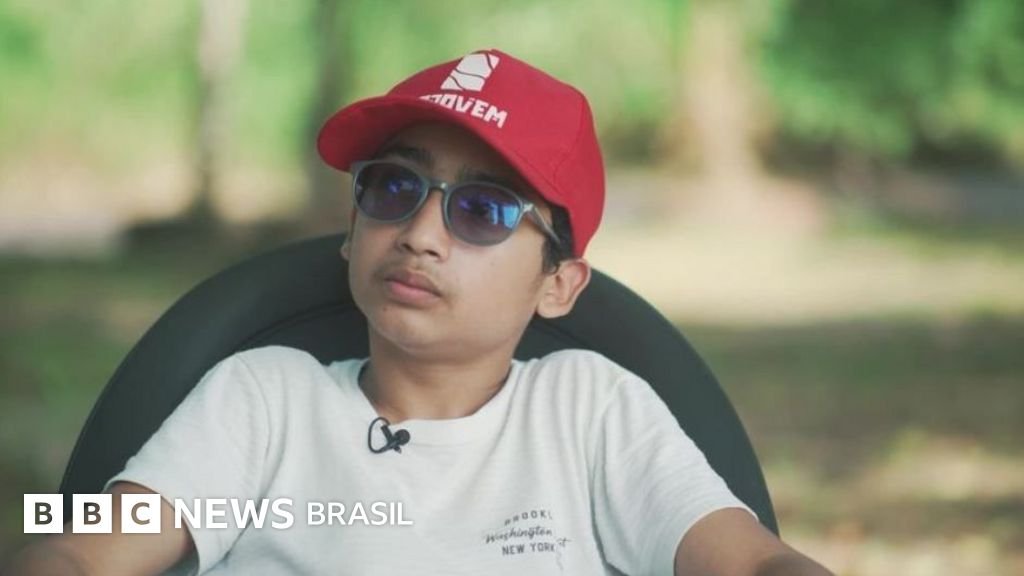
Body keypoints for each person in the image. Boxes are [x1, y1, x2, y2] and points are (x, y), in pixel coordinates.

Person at [4, 49, 832, 576]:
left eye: (484, 211)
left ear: (560, 285)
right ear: (351, 230)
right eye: (394, 189)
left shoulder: (590, 412)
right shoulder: (261, 401)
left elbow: (752, 563)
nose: (422, 234)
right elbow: (84, 553)